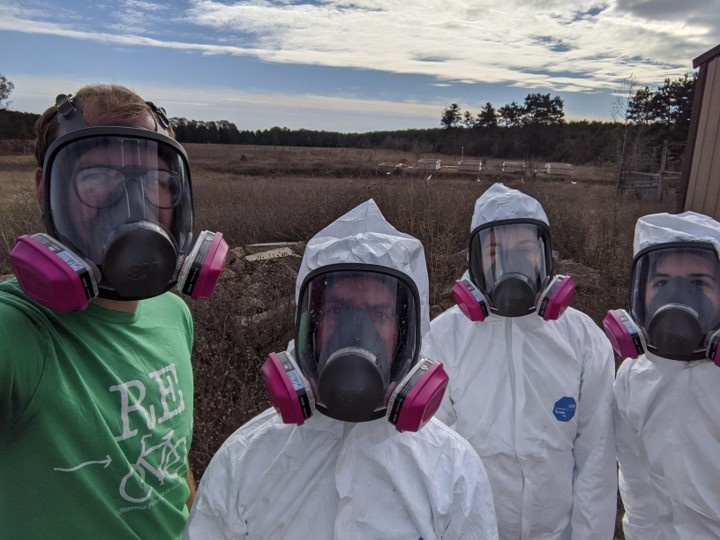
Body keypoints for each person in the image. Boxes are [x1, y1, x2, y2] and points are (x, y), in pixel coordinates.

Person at [185, 199, 499, 539]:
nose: (356, 329)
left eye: (378, 314)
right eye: (338, 309)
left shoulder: (451, 470)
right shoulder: (247, 459)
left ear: (405, 329)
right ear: (311, 322)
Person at [0, 84, 227, 539]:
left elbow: (169, 461)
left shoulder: (172, 313)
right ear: (46, 186)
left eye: (155, 181)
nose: (133, 204)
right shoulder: (16, 331)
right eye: (98, 178)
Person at [423, 183, 617, 539]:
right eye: (495, 250)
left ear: (546, 256)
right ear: (475, 260)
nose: (511, 262)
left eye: (525, 248)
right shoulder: (444, 338)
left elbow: (596, 460)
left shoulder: (582, 339)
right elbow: (433, 458)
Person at [607, 211, 720, 539]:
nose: (679, 297)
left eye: (698, 283)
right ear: (642, 292)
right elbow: (638, 491)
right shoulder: (632, 377)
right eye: (663, 283)